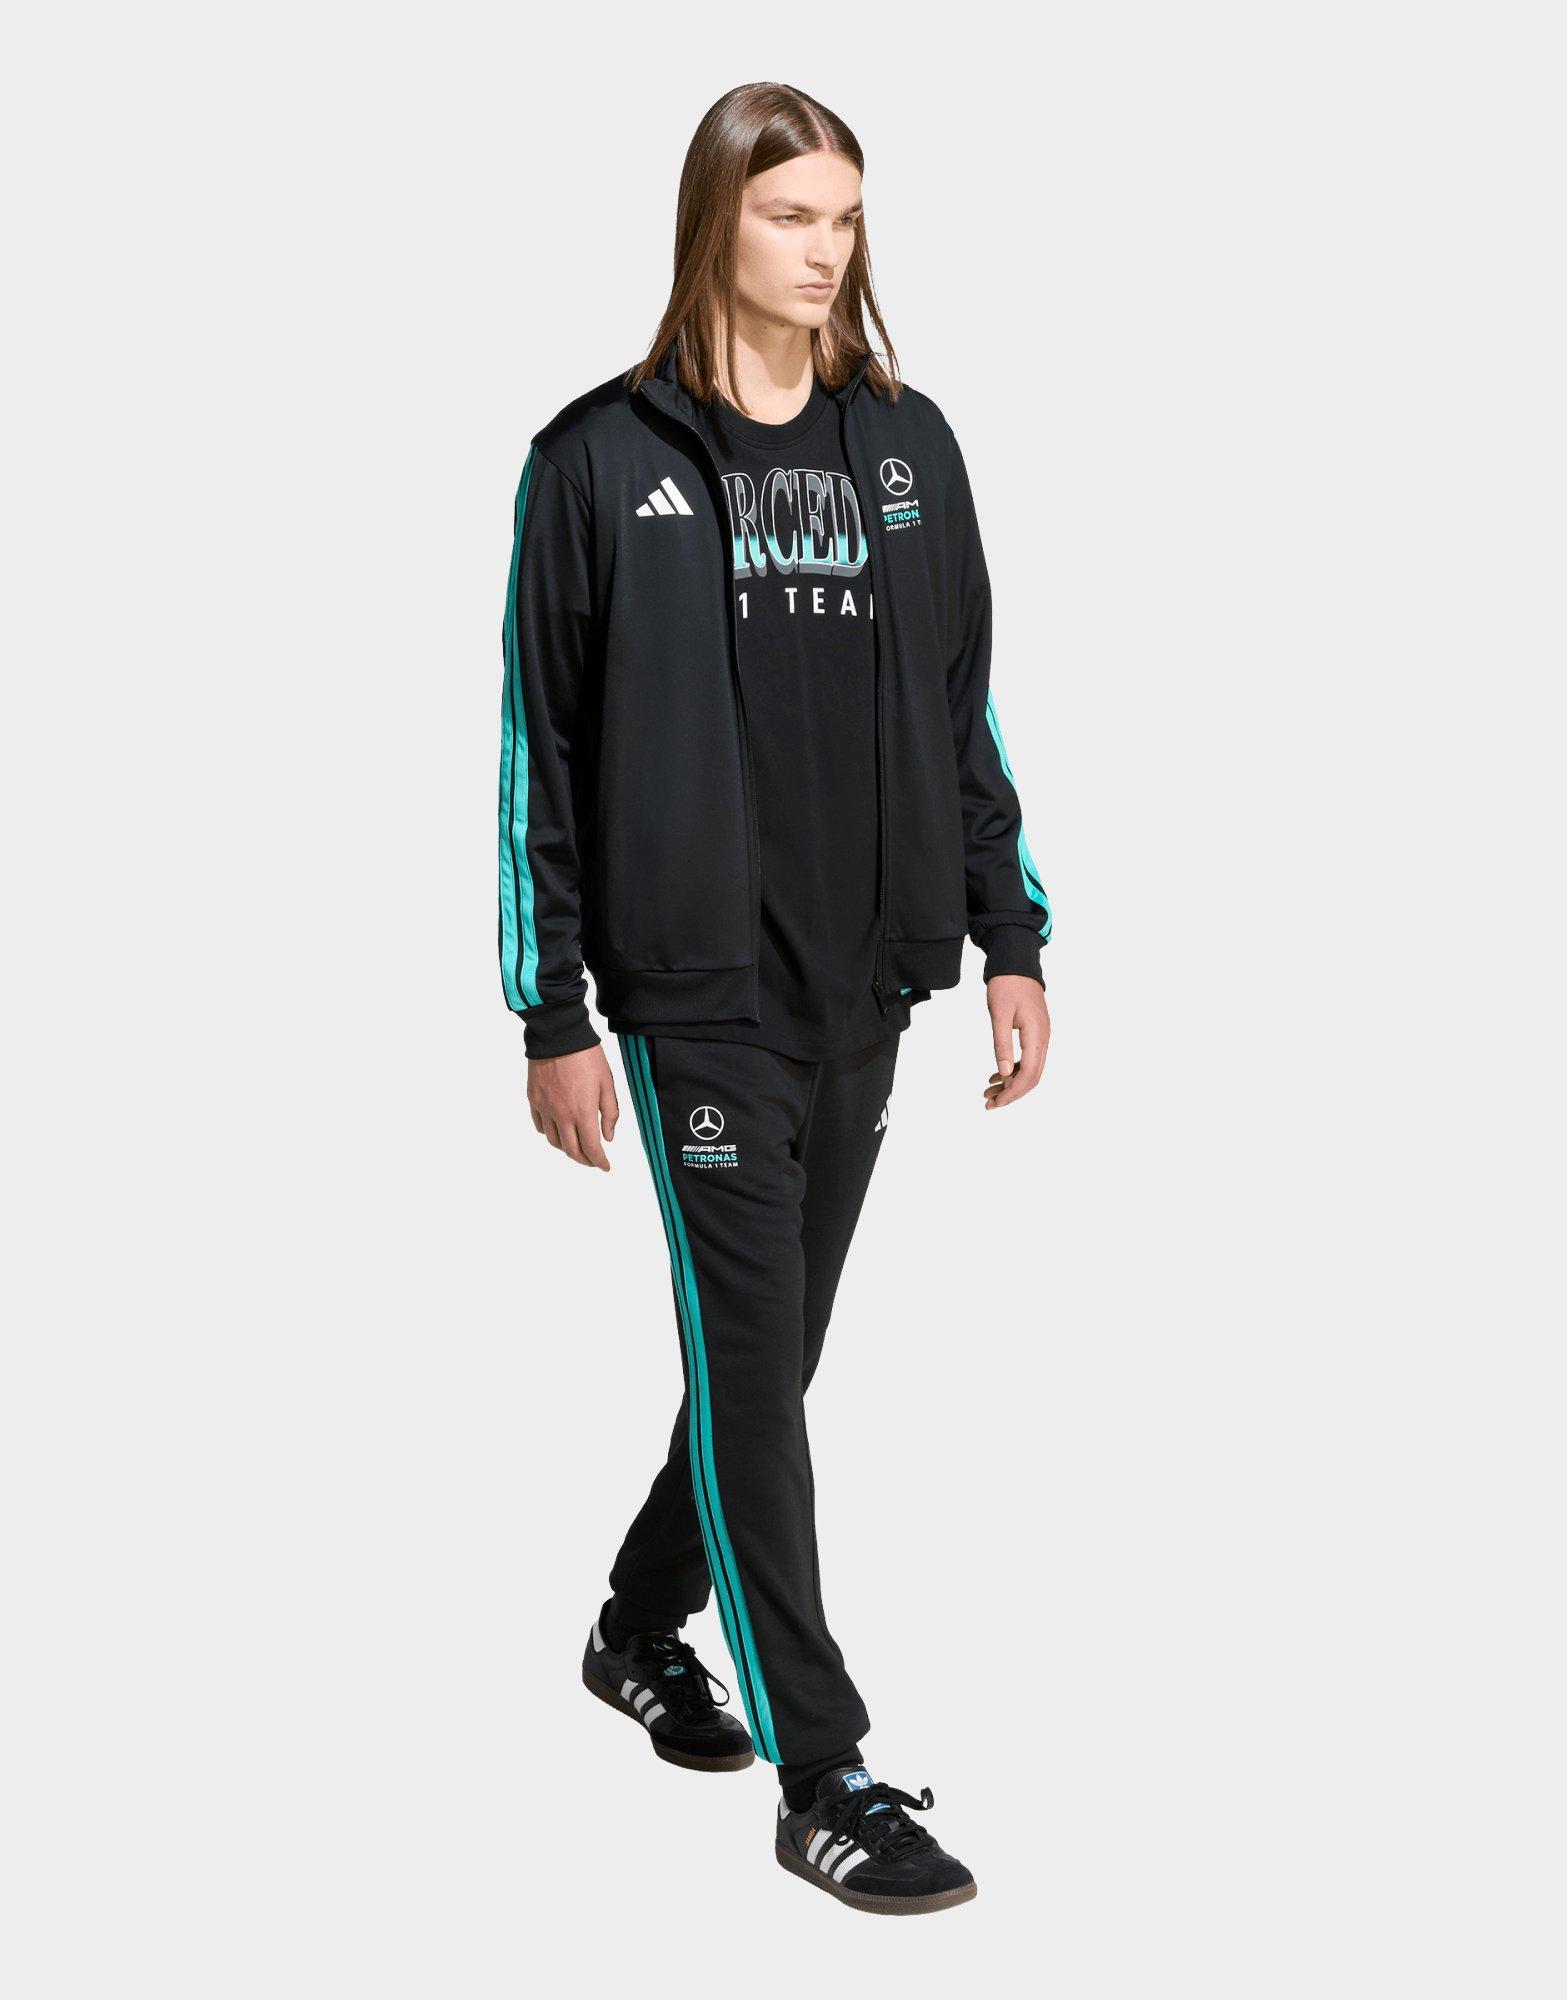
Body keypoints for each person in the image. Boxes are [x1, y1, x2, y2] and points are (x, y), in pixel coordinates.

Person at [497, 81, 1051, 1916]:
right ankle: (829, 1774)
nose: (826, 251)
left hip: (866, 975)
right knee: (756, 1374)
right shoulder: (598, 460)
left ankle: (634, 1627)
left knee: (771, 1365)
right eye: (792, 214)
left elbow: (964, 710)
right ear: (714, 221)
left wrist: (1011, 936)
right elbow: (540, 754)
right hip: (694, 999)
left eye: (846, 219)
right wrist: (552, 1013)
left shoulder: (907, 447)